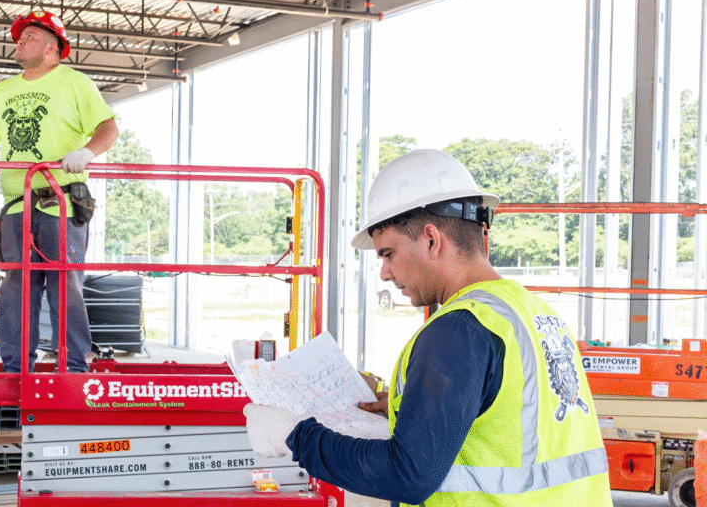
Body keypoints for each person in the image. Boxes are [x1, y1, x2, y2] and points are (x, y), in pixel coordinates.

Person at [243, 149, 611, 506]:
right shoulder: (532, 314)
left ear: (432, 239)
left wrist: (295, 435)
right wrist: (409, 406)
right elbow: (511, 426)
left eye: (387, 254)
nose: (385, 273)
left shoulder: (459, 329)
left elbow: (407, 475)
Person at [0, 10, 119, 373]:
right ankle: (15, 366)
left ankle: (74, 367)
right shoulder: (2, 91)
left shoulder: (75, 83)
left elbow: (108, 127)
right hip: (16, 206)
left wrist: (87, 152)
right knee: (16, 286)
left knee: (65, 284)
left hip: (60, 201)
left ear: (51, 47)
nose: (19, 41)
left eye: (28, 36)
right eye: (19, 37)